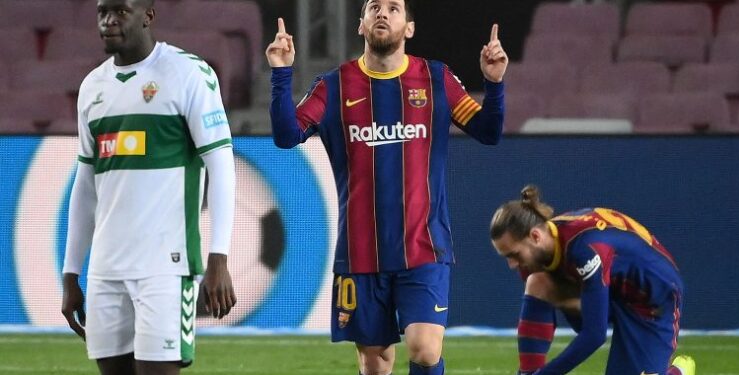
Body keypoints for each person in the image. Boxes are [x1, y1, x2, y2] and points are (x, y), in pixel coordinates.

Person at [265, 0, 506, 373]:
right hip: (361, 254)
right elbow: (286, 135)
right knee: (375, 364)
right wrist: (281, 74)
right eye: (374, 7)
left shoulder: (436, 79)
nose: (382, 13)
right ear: (360, 25)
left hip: (424, 247)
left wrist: (493, 84)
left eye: (393, 8)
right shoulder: (333, 86)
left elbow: (488, 132)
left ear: (408, 28)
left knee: (424, 349)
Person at [60, 1, 237, 374]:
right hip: (105, 270)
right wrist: (71, 272)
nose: (108, 21)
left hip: (165, 267)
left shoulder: (188, 73)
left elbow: (220, 165)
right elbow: (86, 184)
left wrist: (218, 257)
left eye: (120, 11)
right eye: (102, 12)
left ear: (147, 16)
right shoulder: (92, 87)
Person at [489, 185, 696, 375]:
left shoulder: (584, 248)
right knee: (538, 282)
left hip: (652, 300)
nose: (512, 264)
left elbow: (594, 335)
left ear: (535, 236)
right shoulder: (539, 252)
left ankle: (678, 371)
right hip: (609, 289)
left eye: (514, 255)